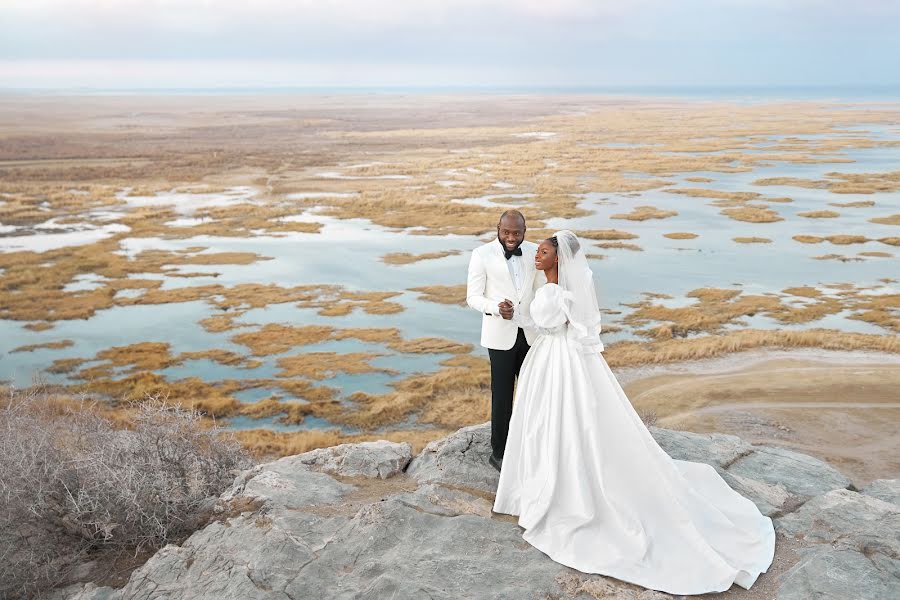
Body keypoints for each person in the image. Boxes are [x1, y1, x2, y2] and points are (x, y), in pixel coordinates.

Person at [492, 230, 775, 596]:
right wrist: (520, 315)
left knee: (551, 422)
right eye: (539, 251)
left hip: (553, 361)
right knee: (559, 421)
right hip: (560, 359)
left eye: (543, 252)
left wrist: (519, 314)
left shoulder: (554, 293)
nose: (537, 255)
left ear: (558, 258)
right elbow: (566, 327)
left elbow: (544, 325)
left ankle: (555, 483)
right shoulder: (565, 292)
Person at [466, 210, 545, 472]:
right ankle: (499, 453)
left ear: (525, 231)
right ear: (497, 229)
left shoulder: (536, 252)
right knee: (502, 395)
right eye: (506, 232)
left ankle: (528, 446)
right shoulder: (481, 255)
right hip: (500, 336)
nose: (511, 238)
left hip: (533, 334)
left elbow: (541, 289)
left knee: (532, 392)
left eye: (517, 233)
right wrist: (496, 308)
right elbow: (473, 297)